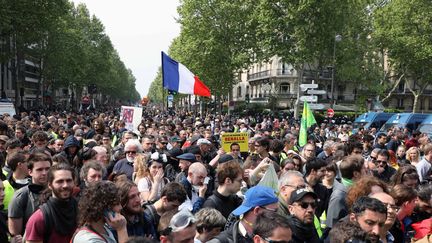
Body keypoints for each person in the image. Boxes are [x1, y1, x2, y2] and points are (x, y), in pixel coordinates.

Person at [25, 163, 78, 242]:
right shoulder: (39, 219)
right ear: (50, 185)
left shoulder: (81, 210)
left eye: (69, 180)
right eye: (60, 181)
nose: (65, 185)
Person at [208, 185, 278, 243]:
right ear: (257, 210)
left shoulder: (276, 237)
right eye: (275, 211)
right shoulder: (220, 241)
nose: (277, 216)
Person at [8, 152, 51, 237]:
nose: (44, 173)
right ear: (30, 172)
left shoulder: (58, 193)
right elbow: (16, 234)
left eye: (47, 169)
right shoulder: (21, 196)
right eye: (39, 169)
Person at [326, 155, 365, 229]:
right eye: (364, 169)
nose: (367, 171)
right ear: (356, 174)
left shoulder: (359, 189)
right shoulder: (339, 196)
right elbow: (333, 227)